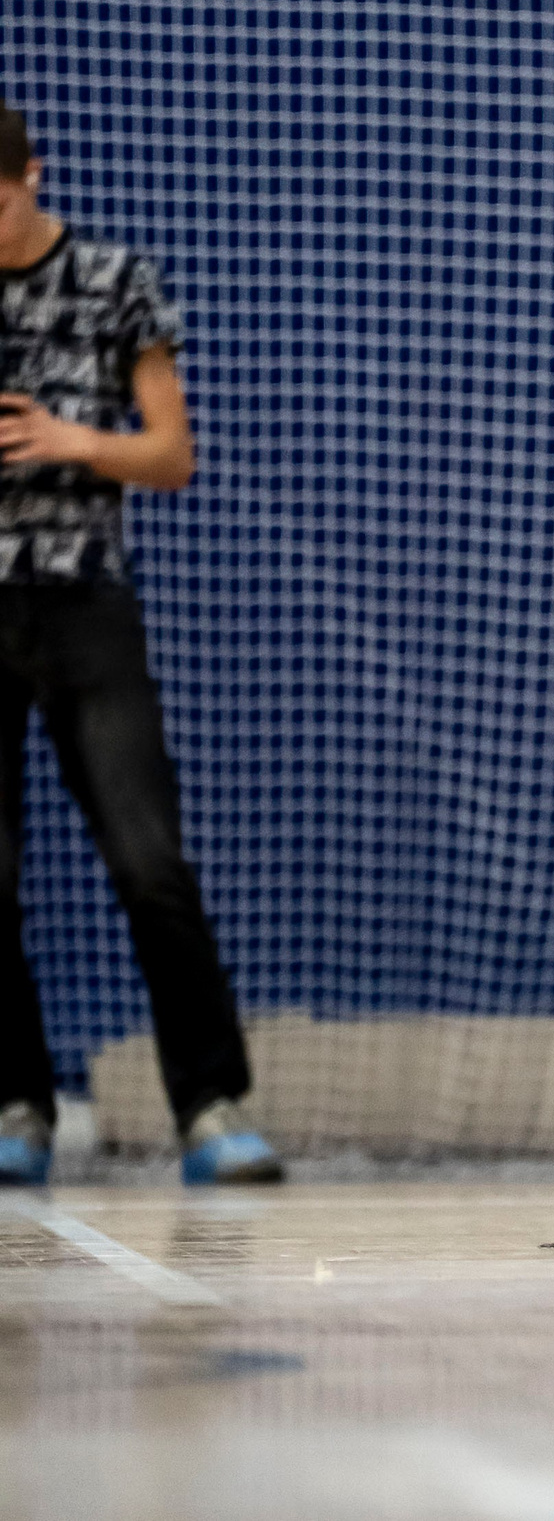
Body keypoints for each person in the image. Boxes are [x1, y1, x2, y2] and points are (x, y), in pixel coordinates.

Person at [0, 97, 281, 1187]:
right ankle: (17, 1100)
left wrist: (71, 439)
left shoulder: (115, 281)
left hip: (84, 602)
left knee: (148, 856)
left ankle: (210, 1104)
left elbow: (173, 454)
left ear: (35, 176)